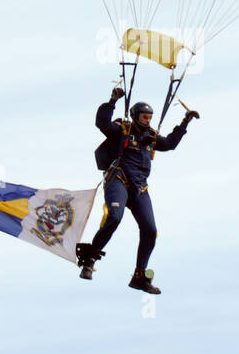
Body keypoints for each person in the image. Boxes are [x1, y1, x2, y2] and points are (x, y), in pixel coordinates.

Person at [76, 88, 198, 293]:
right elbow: (102, 123)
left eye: (150, 117)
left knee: (150, 230)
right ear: (135, 116)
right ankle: (89, 259)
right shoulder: (122, 130)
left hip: (140, 188)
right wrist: (112, 100)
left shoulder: (151, 138)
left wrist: (185, 122)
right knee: (114, 216)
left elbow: (169, 144)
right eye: (144, 117)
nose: (147, 121)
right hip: (119, 180)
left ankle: (140, 277)